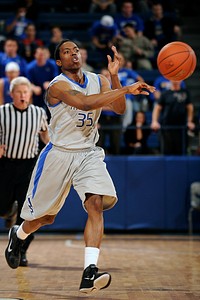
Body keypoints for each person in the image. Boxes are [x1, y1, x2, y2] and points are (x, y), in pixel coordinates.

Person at [4, 39, 155, 293]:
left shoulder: (99, 80)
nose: (73, 54)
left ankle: (89, 271)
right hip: (59, 154)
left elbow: (118, 108)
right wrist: (127, 88)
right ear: (59, 62)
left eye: (76, 50)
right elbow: (86, 104)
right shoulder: (57, 86)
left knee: (95, 203)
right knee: (45, 217)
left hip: (88, 153)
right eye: (67, 52)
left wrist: (115, 77)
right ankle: (18, 235)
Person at [0, 76, 49, 266]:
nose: (22, 95)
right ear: (11, 94)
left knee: (27, 214)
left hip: (29, 167)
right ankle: (8, 211)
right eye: (19, 92)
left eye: (25, 92)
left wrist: (55, 146)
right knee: (2, 207)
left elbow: (45, 134)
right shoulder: (2, 112)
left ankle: (21, 252)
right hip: (5, 166)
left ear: (30, 93)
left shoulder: (38, 112)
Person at [151, 80, 195, 155]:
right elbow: (157, 108)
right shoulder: (165, 93)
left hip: (181, 128)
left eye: (178, 79)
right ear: (170, 80)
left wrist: (190, 121)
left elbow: (190, 108)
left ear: (181, 80)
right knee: (167, 152)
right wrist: (154, 121)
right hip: (167, 128)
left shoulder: (185, 92)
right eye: (174, 79)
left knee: (181, 152)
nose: (176, 81)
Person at [97, 67, 122, 154]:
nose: (106, 77)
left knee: (115, 144)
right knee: (99, 145)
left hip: (115, 119)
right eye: (104, 76)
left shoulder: (117, 88)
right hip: (100, 119)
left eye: (107, 75)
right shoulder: (96, 89)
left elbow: (119, 107)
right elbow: (93, 106)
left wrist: (102, 105)